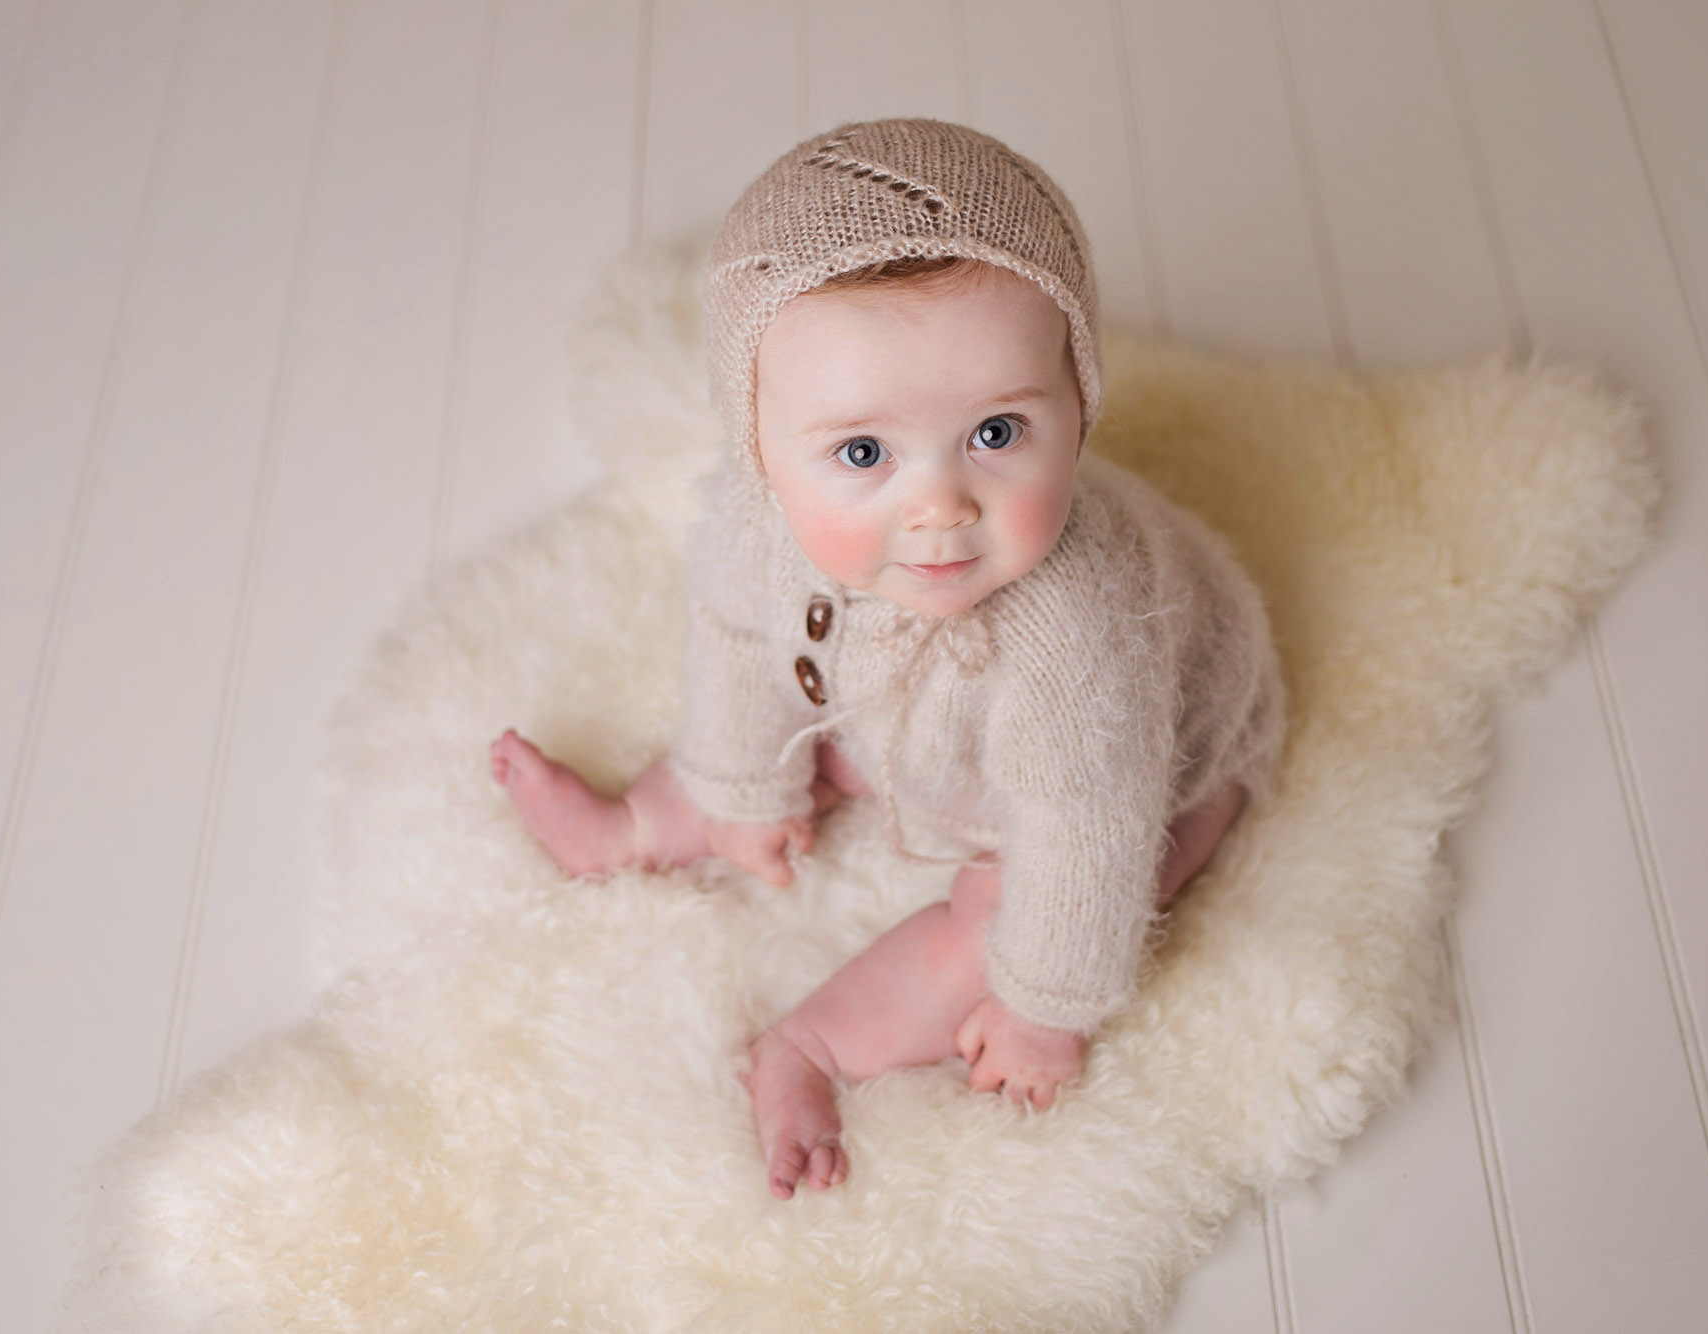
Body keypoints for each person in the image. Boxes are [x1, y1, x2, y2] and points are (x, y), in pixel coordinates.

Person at [489, 118, 1284, 1201]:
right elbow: (736, 643)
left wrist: (1045, 1009)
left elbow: (1085, 831)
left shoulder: (1073, 640)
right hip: (910, 723)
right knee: (785, 718)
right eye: (862, 452)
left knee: (1012, 918)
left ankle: (807, 1052)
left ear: (1077, 400)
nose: (941, 507)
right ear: (759, 441)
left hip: (1149, 769)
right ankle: (631, 828)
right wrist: (742, 788)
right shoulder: (757, 521)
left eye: (997, 434)